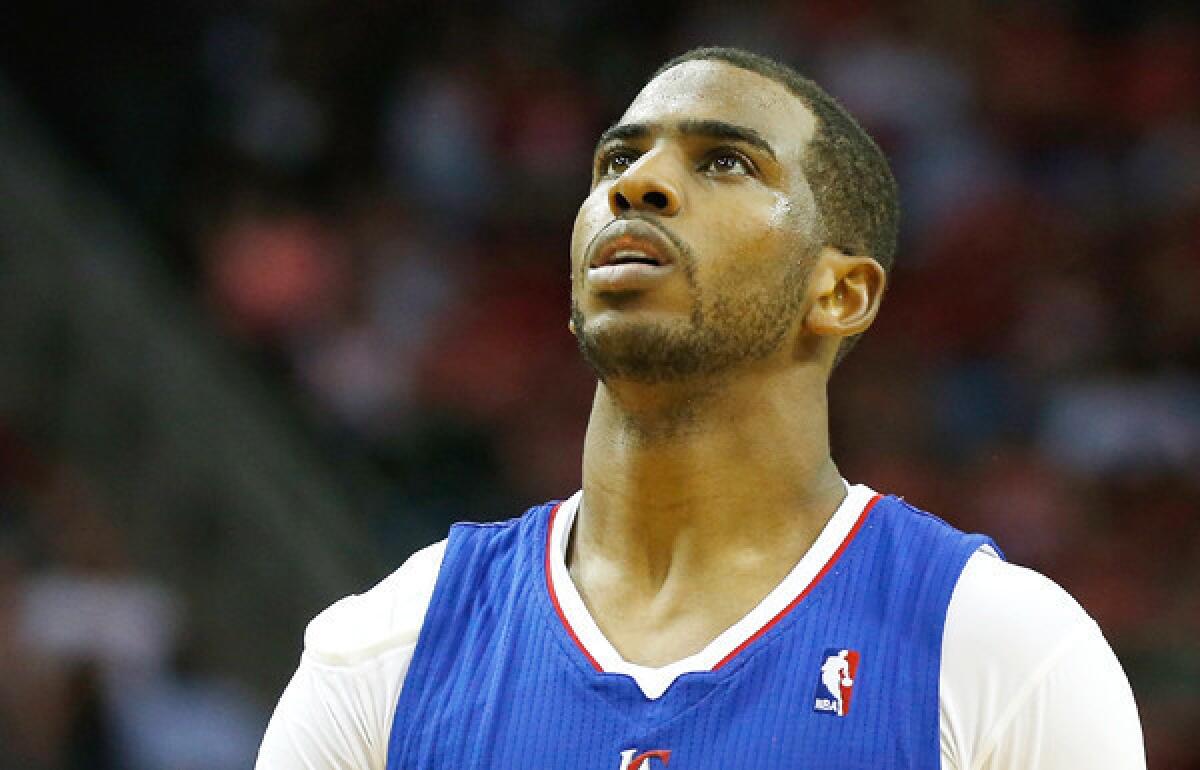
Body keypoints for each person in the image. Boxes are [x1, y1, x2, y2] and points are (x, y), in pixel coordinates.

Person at [256, 47, 1145, 769]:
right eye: (616, 158)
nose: (636, 185)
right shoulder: (390, 647)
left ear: (840, 292)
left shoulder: (1003, 652)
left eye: (724, 161)